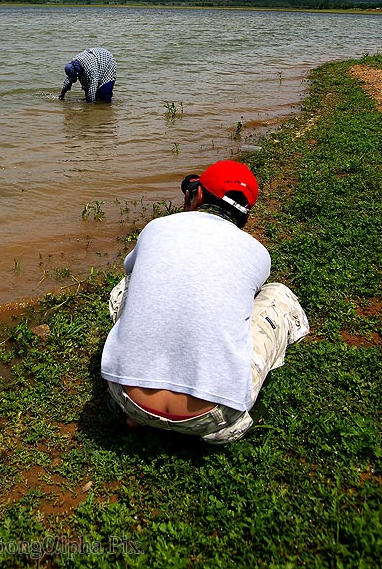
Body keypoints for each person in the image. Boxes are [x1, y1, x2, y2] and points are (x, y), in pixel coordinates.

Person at [101, 160, 309, 444]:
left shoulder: (156, 227)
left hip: (128, 399)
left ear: (197, 196)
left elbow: (129, 270)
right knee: (278, 296)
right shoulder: (258, 253)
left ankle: (137, 414)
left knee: (128, 285)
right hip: (212, 415)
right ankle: (223, 424)